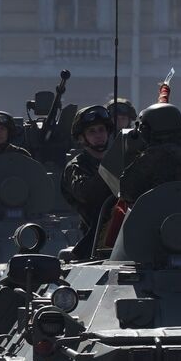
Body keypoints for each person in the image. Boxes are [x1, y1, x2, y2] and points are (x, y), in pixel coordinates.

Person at [118, 103, 181, 204]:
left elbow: (126, 192)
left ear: (148, 132)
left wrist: (131, 153)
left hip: (155, 216)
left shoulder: (150, 158)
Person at [61, 105, 114, 258]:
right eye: (92, 131)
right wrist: (110, 167)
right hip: (92, 245)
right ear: (81, 137)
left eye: (101, 130)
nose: (98, 135)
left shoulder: (120, 161)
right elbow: (87, 194)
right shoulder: (76, 168)